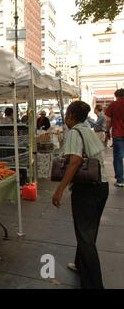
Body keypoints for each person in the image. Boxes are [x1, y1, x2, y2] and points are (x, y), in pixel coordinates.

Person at [52, 101, 108, 289]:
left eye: (67, 114)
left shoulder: (75, 132)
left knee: (85, 236)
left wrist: (60, 189)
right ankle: (79, 263)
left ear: (71, 116)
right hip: (102, 186)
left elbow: (75, 162)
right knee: (88, 231)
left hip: (87, 190)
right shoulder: (88, 130)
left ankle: (94, 284)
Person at [105, 88, 124, 187]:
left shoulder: (114, 104)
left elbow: (108, 120)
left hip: (118, 134)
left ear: (116, 96)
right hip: (119, 134)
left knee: (118, 157)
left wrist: (107, 131)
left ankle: (120, 180)